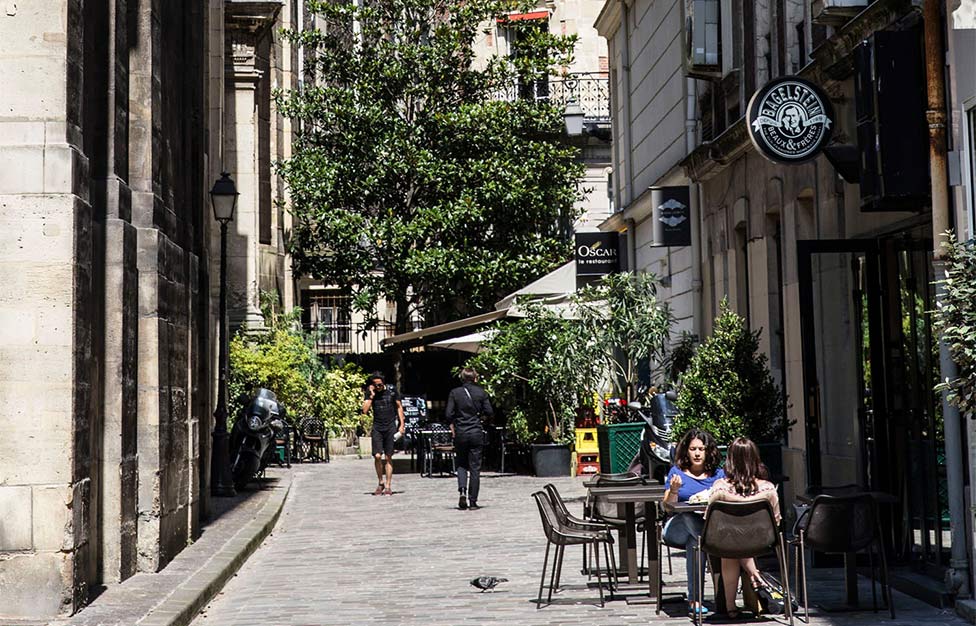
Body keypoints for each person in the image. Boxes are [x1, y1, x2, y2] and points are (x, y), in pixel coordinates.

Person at [708, 436, 781, 618]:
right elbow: (776, 520)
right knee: (738, 544)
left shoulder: (720, 489)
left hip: (726, 544)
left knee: (729, 549)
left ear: (730, 460)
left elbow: (709, 518)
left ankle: (730, 606)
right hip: (762, 543)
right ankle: (754, 574)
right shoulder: (768, 489)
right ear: (755, 459)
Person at [662, 428, 725, 617]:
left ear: (708, 451)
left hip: (704, 528)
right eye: (693, 449)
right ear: (686, 451)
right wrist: (674, 490)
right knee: (690, 517)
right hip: (676, 527)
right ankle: (706, 540)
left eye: (701, 449)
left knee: (694, 543)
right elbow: (667, 507)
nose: (697, 453)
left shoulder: (718, 475)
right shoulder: (677, 473)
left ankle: (695, 599)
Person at [445, 367, 493, 510]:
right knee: (475, 468)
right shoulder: (481, 393)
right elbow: (490, 412)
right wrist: (482, 419)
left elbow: (448, 414)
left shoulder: (455, 393)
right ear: (475, 378)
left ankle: (462, 491)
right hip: (476, 432)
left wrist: (456, 421)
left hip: (460, 432)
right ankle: (473, 501)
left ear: (462, 378)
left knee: (461, 464)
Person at [361, 372, 405, 495]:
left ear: (383, 383)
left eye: (380, 384)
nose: (378, 387)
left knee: (388, 456)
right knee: (377, 456)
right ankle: (380, 481)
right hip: (377, 427)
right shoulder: (371, 393)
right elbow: (364, 410)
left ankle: (388, 485)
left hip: (390, 426)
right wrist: (371, 395)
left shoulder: (391, 391)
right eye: (375, 385)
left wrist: (402, 424)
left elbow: (399, 407)